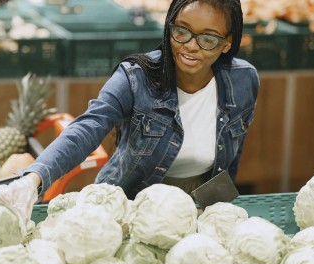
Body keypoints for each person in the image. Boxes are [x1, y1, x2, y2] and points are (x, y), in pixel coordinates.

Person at [19, 0, 259, 200]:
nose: (190, 46)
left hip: (197, 202)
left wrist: (218, 208)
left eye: (208, 39)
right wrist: (33, 180)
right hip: (128, 202)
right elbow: (87, 127)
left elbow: (231, 159)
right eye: (182, 31)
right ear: (169, 27)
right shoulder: (136, 77)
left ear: (227, 43)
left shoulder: (243, 81)